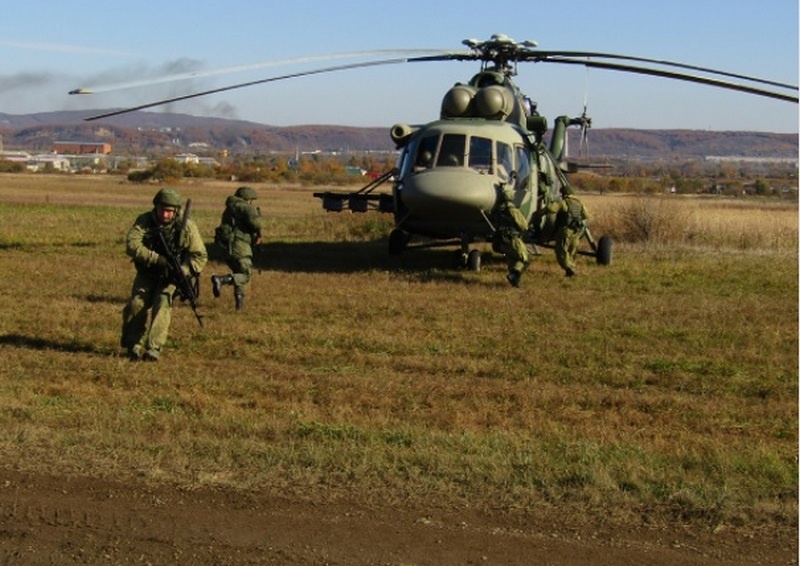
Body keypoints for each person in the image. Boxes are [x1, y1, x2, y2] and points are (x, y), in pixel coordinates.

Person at [120, 188, 208, 361]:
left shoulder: (186, 226)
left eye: (169, 211)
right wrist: (155, 258)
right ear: (156, 207)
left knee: (162, 304)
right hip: (148, 271)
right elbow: (132, 244)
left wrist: (182, 271)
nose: (165, 215)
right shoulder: (145, 221)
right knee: (136, 304)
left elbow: (200, 255)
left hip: (171, 276)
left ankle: (154, 348)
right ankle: (133, 345)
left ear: (175, 211)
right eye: (162, 210)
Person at [210, 186, 265, 310]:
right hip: (240, 246)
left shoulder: (230, 208)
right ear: (248, 199)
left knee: (238, 274)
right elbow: (257, 224)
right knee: (246, 275)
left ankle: (239, 305)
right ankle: (221, 280)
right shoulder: (245, 207)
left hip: (227, 246)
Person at [547, 184, 589, 277]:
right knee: (572, 251)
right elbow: (586, 215)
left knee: (561, 251)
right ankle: (570, 269)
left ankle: (569, 269)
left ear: (564, 194)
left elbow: (551, 209)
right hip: (576, 232)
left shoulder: (563, 202)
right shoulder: (579, 203)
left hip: (565, 231)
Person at [493, 187, 529, 287]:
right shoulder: (513, 210)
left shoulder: (498, 211)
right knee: (523, 260)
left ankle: (515, 282)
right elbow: (524, 225)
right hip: (514, 239)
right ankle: (514, 275)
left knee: (512, 261)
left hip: (502, 240)